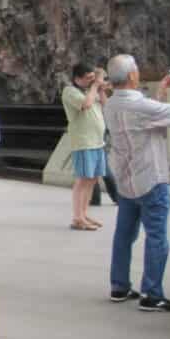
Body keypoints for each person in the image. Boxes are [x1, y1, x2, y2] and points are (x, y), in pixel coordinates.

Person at [104, 55, 170, 312]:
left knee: (124, 235)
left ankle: (119, 286)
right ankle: (152, 293)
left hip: (127, 179)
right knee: (157, 237)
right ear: (131, 76)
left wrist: (162, 90)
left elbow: (150, 116)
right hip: (151, 178)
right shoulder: (137, 106)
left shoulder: (110, 104)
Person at [62, 63, 108, 231]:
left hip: (97, 141)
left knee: (93, 179)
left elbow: (105, 103)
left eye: (92, 77)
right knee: (82, 179)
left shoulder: (92, 90)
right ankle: (77, 218)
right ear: (77, 78)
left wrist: (100, 87)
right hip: (83, 142)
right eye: (88, 78)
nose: (91, 80)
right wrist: (95, 85)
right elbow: (86, 104)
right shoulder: (70, 91)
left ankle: (84, 213)